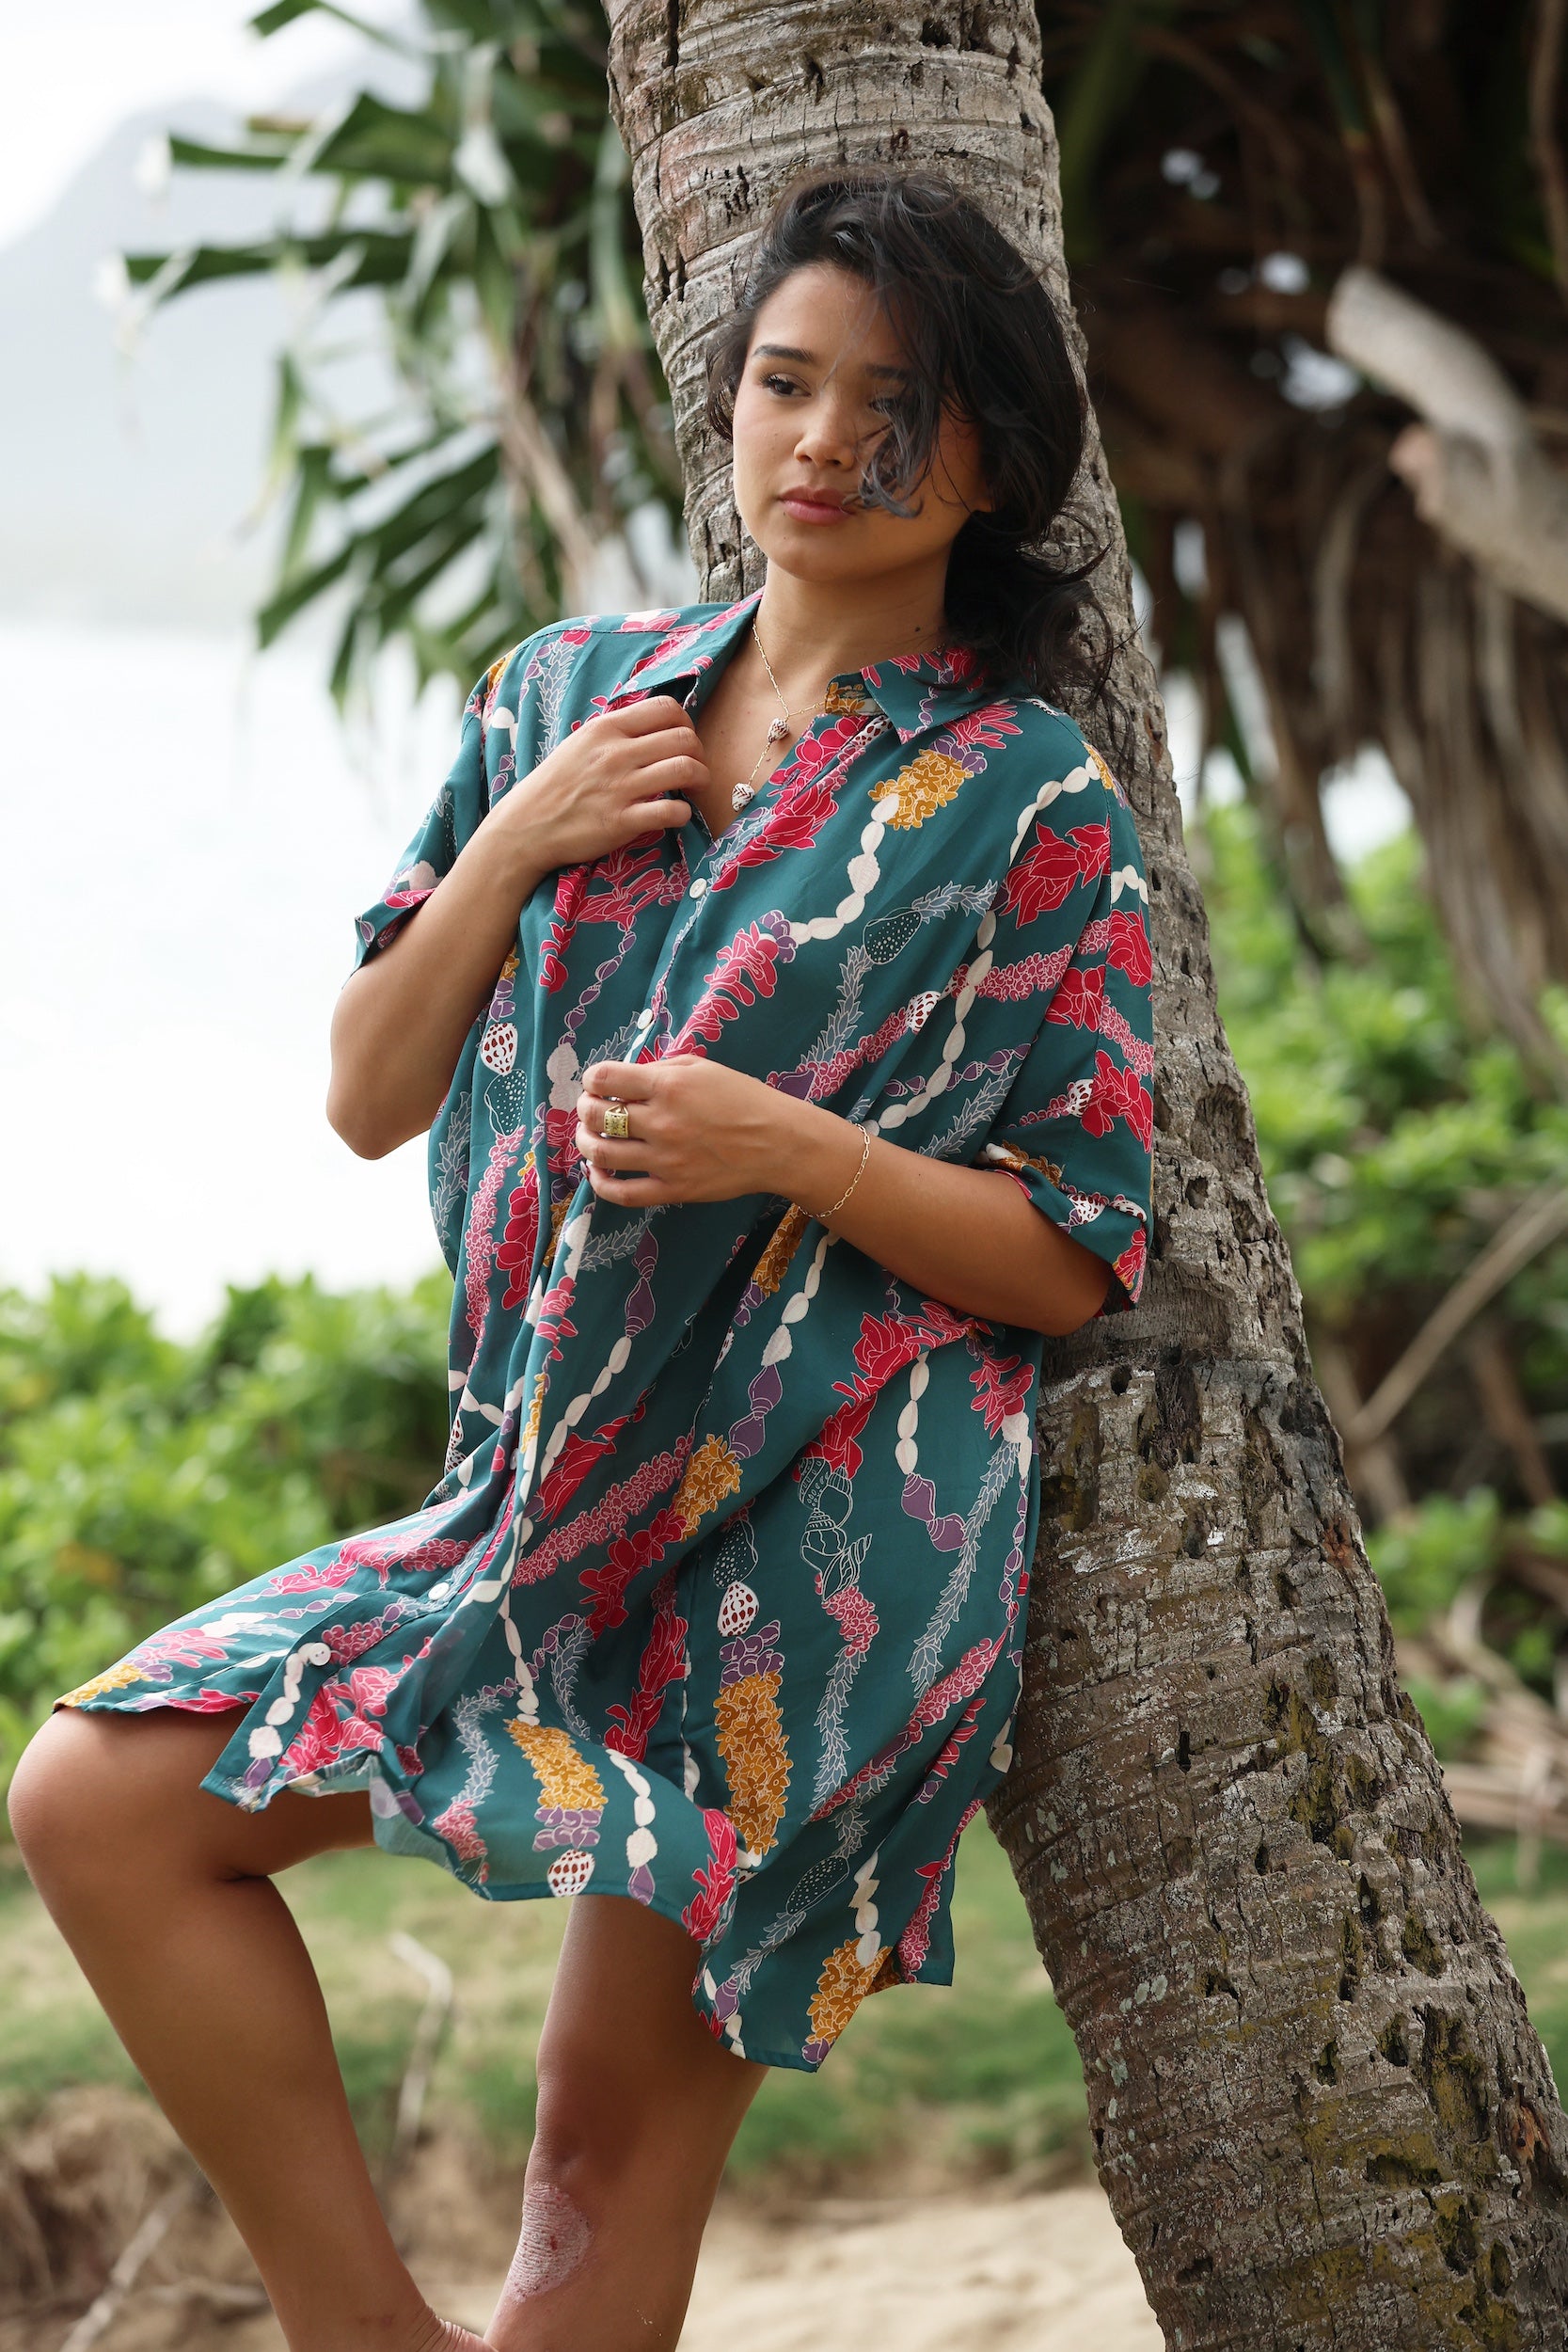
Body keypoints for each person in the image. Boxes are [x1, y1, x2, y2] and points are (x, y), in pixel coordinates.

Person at [8, 166, 1154, 2352]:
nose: (822, 442)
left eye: (894, 403)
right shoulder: (569, 693)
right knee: (98, 1795)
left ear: (993, 454)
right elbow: (366, 1086)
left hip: (813, 1543)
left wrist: (782, 1147)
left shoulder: (1028, 799)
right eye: (785, 385)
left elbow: (1076, 1258)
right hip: (530, 1499)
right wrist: (520, 842)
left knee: (596, 2164)